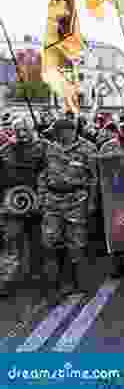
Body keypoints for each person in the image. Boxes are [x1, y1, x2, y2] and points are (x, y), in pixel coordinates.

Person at [37, 119, 97, 300]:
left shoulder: (88, 149)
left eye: (56, 131)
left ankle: (78, 282)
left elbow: (94, 179)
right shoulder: (49, 148)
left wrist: (92, 201)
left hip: (76, 201)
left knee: (77, 243)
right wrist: (42, 197)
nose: (53, 134)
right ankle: (55, 283)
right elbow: (42, 174)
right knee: (50, 241)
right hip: (52, 201)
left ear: (69, 131)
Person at [0, 118, 47, 297]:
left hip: (36, 202)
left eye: (25, 130)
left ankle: (36, 276)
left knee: (37, 243)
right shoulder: (4, 151)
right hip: (12, 205)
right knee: (12, 245)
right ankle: (6, 280)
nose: (21, 133)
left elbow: (48, 174)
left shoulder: (42, 148)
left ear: (31, 130)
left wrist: (43, 200)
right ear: (13, 131)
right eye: (17, 130)